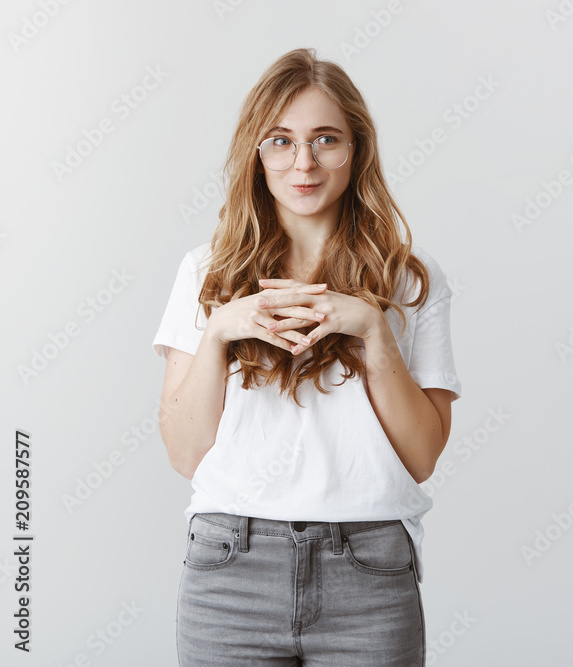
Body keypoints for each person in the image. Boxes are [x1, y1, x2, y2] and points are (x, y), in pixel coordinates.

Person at [151, 47, 462, 666]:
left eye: (326, 139)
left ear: (358, 150)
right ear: (255, 153)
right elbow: (185, 453)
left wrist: (374, 330)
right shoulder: (206, 272)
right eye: (280, 141)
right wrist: (218, 334)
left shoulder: (411, 280)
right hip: (229, 568)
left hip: (369, 570)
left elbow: (422, 456)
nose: (304, 163)